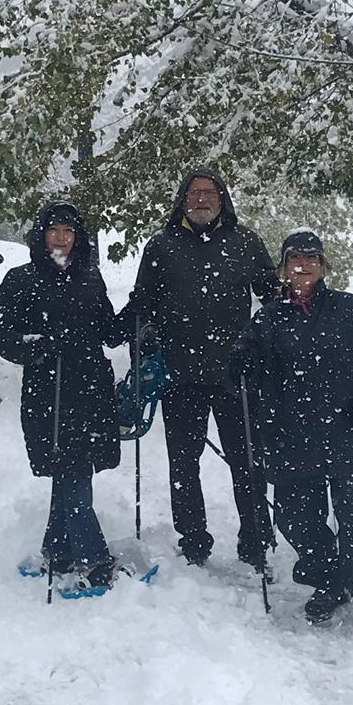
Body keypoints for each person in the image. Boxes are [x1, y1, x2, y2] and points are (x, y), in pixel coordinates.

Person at [229, 231, 353, 633]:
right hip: (289, 434)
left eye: (311, 260)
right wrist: (241, 364)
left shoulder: (348, 309)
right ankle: (330, 579)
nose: (302, 267)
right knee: (294, 518)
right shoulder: (269, 316)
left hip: (343, 428)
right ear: (284, 268)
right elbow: (245, 357)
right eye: (294, 260)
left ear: (323, 266)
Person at [124, 169, 279, 568]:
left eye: (211, 193)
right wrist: (140, 339)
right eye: (195, 193)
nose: (203, 200)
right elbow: (143, 302)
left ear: (223, 199)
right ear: (183, 200)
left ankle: (255, 540)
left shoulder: (245, 242)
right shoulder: (161, 246)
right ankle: (193, 539)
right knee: (183, 463)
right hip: (181, 375)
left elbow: (272, 298)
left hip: (236, 375)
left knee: (248, 462)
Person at [0, 200, 127, 589]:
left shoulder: (89, 277)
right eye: (55, 230)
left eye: (69, 231)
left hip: (90, 389)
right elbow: (6, 338)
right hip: (48, 392)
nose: (62, 238)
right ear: (42, 234)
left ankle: (59, 548)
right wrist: (41, 346)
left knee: (74, 470)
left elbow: (107, 330)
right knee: (71, 472)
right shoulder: (21, 279)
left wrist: (138, 315)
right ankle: (93, 560)